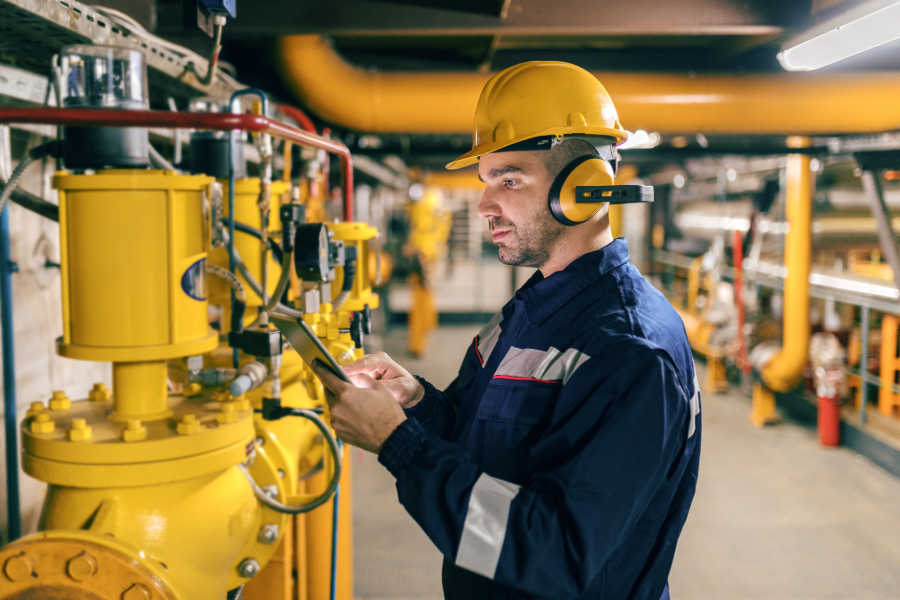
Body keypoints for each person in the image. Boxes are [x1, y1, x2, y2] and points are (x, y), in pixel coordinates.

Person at [311, 61, 701, 600]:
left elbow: (554, 555)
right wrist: (416, 402)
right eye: (485, 181)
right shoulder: (532, 307)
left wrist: (398, 444)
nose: (484, 205)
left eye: (509, 180)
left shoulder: (630, 351)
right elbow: (485, 442)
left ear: (583, 187)